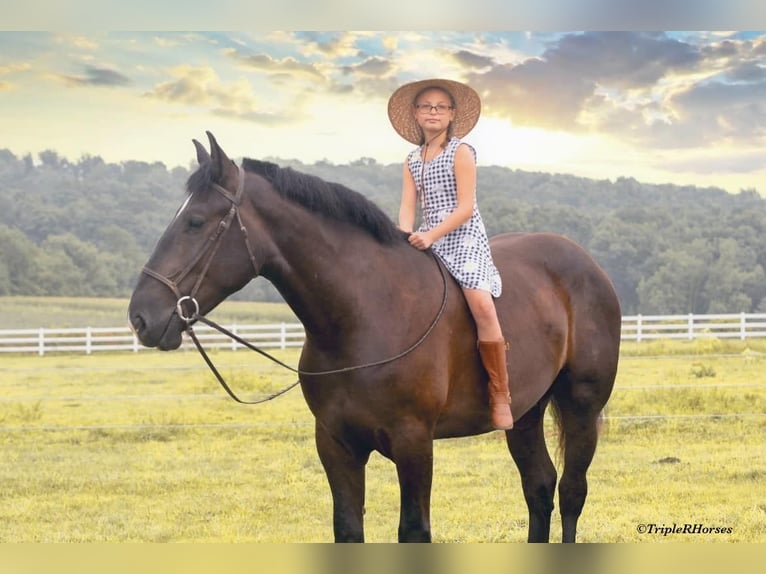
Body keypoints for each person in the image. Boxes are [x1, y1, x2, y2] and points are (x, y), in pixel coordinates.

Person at [387, 78, 514, 430]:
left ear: (452, 114)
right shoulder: (412, 159)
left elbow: (465, 208)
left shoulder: (461, 151)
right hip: (426, 238)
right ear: (415, 113)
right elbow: (407, 208)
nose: (433, 112)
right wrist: (403, 237)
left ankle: (500, 393)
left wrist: (430, 235)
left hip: (463, 237)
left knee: (482, 305)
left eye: (440, 107)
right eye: (426, 106)